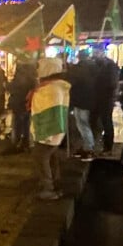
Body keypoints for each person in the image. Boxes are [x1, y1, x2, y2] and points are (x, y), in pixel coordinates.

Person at [30, 58, 71, 200]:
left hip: (47, 132)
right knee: (51, 159)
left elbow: (49, 113)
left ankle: (48, 188)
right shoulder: (56, 87)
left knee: (41, 159)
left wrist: (45, 134)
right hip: (53, 132)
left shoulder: (50, 89)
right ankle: (55, 185)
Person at [68, 51, 98, 161]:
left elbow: (72, 83)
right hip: (90, 100)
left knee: (83, 125)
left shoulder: (77, 69)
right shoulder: (95, 68)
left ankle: (89, 148)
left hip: (80, 100)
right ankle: (86, 146)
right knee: (83, 125)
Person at [4, 61, 37, 155]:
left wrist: (7, 84)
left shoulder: (20, 77)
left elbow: (14, 88)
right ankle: (26, 143)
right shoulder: (32, 78)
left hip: (19, 104)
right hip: (27, 105)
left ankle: (15, 144)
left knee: (17, 126)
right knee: (26, 126)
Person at [92, 49, 120, 155]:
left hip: (106, 98)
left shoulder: (110, 66)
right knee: (96, 121)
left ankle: (108, 147)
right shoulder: (98, 65)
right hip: (99, 98)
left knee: (106, 122)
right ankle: (99, 144)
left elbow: (112, 83)